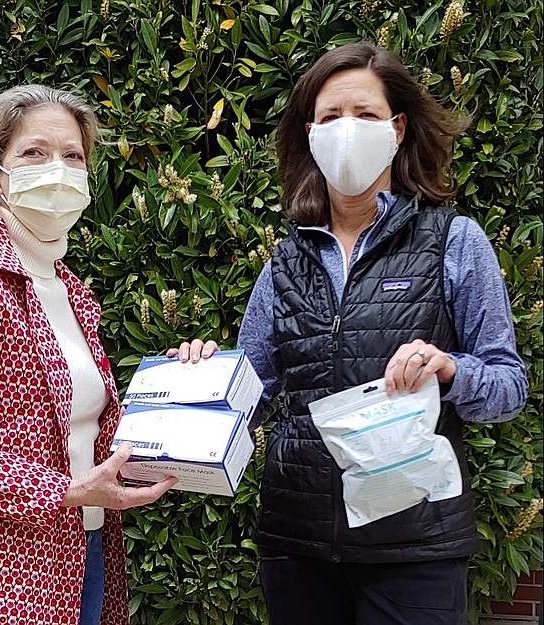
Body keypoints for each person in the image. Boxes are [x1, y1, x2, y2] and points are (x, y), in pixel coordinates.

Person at [173, 42, 528, 625]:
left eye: (364, 115)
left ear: (398, 128)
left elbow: (508, 387)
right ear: (309, 133)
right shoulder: (285, 261)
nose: (347, 130)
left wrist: (449, 368)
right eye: (331, 116)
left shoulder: (454, 242)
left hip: (414, 548)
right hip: (298, 546)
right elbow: (251, 397)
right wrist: (202, 380)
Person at [0, 84, 177, 625]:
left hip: (84, 553)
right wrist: (61, 490)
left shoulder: (71, 290)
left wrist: (182, 387)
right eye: (34, 153)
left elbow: (81, 425)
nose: (60, 169)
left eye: (73, 156)